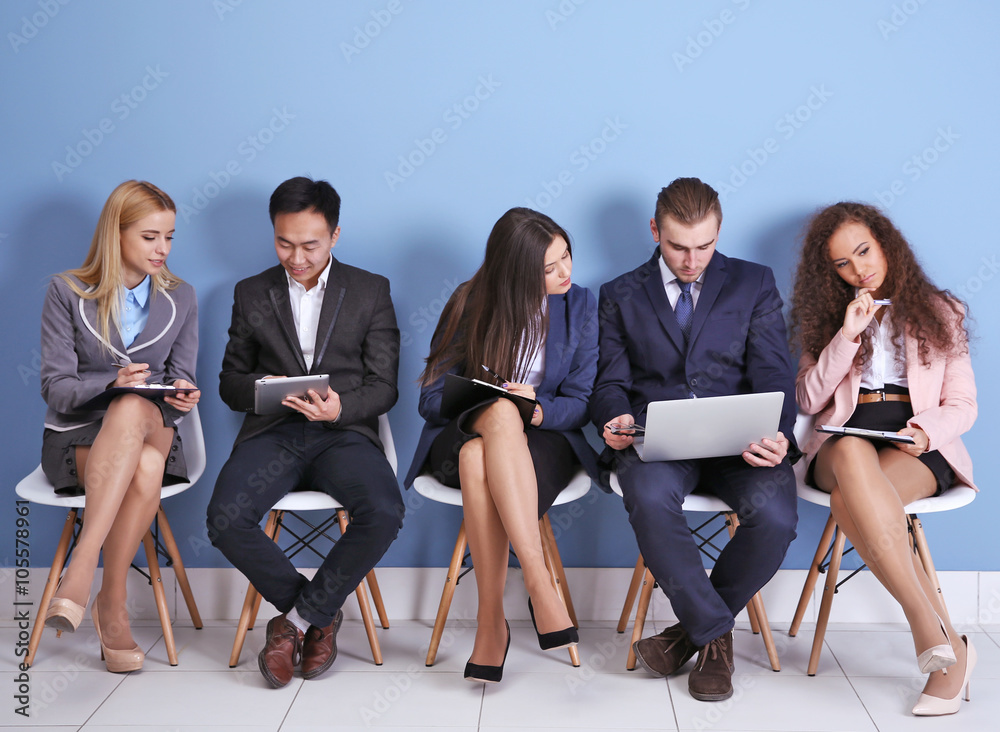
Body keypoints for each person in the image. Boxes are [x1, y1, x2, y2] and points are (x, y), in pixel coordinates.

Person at [590, 177, 798, 702]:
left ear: (719, 231)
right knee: (649, 497)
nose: (691, 259)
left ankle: (690, 634)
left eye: (704, 245)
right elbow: (609, 383)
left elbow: (775, 374)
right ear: (655, 230)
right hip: (656, 441)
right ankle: (715, 637)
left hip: (742, 444)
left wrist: (779, 434)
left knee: (776, 517)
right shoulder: (619, 293)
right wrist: (614, 420)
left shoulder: (754, 283)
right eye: (678, 246)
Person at [206, 176, 403, 688]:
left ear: (335, 235)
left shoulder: (370, 290)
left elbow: (385, 387)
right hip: (272, 433)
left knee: (384, 511)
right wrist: (261, 387)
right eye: (284, 243)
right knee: (225, 519)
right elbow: (229, 383)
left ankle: (294, 623)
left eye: (310, 245)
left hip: (343, 435)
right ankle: (319, 614)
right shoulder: (251, 292)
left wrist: (340, 408)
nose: (296, 257)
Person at [790, 201, 977, 717]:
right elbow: (808, 399)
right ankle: (934, 630)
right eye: (842, 264)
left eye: (864, 251)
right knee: (851, 453)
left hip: (912, 441)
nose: (859, 269)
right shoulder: (826, 319)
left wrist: (925, 429)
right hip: (844, 438)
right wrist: (847, 335)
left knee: (856, 507)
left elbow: (962, 404)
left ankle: (947, 651)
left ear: (885, 243)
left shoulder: (943, 311)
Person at [404, 207, 601, 683]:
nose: (566, 272)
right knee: (494, 416)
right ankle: (537, 576)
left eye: (566, 256)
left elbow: (581, 403)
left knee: (483, 453)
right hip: (462, 434)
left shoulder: (582, 306)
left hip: (543, 443)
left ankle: (491, 622)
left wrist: (535, 407)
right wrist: (480, 396)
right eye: (549, 267)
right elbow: (429, 400)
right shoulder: (470, 302)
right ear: (516, 273)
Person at [39, 180, 200, 673]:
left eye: (169, 237)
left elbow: (182, 377)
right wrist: (112, 380)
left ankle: (81, 572)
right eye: (150, 236)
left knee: (134, 410)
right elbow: (56, 388)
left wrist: (182, 393)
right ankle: (111, 603)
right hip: (78, 439)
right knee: (144, 464)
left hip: (155, 426)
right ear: (117, 233)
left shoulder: (182, 296)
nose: (163, 249)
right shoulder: (66, 291)